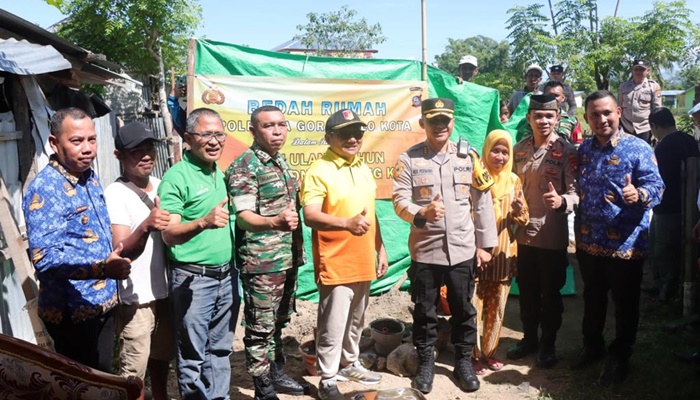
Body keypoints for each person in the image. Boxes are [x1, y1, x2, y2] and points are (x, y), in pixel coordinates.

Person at [392, 98, 498, 394]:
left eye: (445, 120)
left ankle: (463, 362)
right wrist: (420, 213)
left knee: (464, 308)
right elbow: (399, 200)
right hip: (426, 251)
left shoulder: (469, 157)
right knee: (424, 310)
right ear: (422, 123)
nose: (440, 126)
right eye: (433, 120)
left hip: (463, 250)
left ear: (452, 122)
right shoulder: (410, 159)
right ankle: (426, 362)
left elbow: (483, 201)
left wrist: (486, 244)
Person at [22, 107, 131, 372]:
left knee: (103, 378)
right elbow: (45, 260)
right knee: (83, 386)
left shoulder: (88, 178)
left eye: (91, 139)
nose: (87, 148)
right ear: (54, 143)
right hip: (73, 316)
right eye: (76, 141)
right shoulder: (45, 188)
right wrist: (103, 268)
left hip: (102, 305)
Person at [573, 90, 664, 385]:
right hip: (588, 241)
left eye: (607, 113)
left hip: (626, 244)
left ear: (619, 112)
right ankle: (593, 346)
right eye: (595, 115)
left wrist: (639, 193)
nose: (602, 119)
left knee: (625, 303)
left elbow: (657, 186)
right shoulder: (583, 150)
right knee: (593, 297)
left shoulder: (638, 148)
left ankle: (620, 356)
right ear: (587, 118)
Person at [301, 109, 388, 400]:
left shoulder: (363, 166)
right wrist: (346, 223)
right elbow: (310, 215)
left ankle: (350, 363)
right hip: (336, 261)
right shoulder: (319, 170)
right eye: (344, 134)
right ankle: (327, 379)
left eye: (358, 133)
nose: (353, 139)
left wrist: (380, 248)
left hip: (364, 258)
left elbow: (370, 215)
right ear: (328, 137)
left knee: (356, 320)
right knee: (332, 323)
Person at [226, 105, 308, 399]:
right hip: (262, 262)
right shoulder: (245, 166)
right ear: (253, 131)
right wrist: (274, 222)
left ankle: (274, 372)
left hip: (286, 258)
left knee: (278, 322)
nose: (277, 131)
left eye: (281, 125)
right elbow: (244, 216)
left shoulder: (280, 161)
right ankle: (262, 388)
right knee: (260, 327)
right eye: (268, 126)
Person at [158, 108, 239, 400]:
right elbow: (169, 233)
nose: (215, 140)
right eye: (206, 134)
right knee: (192, 354)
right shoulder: (177, 177)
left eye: (219, 133)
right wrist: (203, 222)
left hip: (227, 277)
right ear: (189, 138)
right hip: (193, 279)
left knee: (220, 349)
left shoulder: (221, 173)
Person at [507, 95, 579, 369]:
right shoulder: (519, 149)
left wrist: (562, 201)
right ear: (529, 119)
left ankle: (548, 344)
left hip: (551, 236)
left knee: (550, 294)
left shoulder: (566, 151)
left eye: (549, 116)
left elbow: (575, 193)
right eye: (538, 116)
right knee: (526, 291)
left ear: (557, 118)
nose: (543, 121)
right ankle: (529, 340)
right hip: (522, 236)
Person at [104, 122, 174, 400]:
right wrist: (146, 225)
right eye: (136, 151)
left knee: (161, 358)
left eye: (149, 149)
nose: (146, 156)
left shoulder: (162, 184)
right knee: (134, 371)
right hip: (137, 298)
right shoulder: (115, 194)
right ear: (119, 155)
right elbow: (120, 249)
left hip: (166, 290)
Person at [470, 129, 530, 375]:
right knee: (473, 308)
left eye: (506, 152)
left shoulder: (514, 181)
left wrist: (518, 209)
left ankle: (490, 353)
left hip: (504, 254)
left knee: (497, 309)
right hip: (475, 254)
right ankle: (472, 356)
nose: (501, 157)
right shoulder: (475, 177)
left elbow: (524, 219)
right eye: (496, 150)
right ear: (487, 150)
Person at [647, 108, 700, 302]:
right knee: (674, 248)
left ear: (655, 126)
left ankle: (666, 291)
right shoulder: (688, 140)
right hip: (689, 205)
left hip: (666, 207)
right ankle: (665, 286)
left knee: (663, 250)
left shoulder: (664, 147)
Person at [618, 59, 662, 143]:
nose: (638, 72)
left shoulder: (653, 86)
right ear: (632, 70)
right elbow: (618, 107)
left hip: (644, 127)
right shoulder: (623, 87)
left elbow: (657, 110)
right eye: (636, 69)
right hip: (626, 127)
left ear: (647, 71)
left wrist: (657, 130)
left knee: (643, 153)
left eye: (642, 69)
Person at [543, 81, 582, 145]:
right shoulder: (535, 119)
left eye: (556, 95)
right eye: (549, 95)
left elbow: (577, 146)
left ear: (563, 98)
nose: (553, 98)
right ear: (543, 96)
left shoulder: (572, 121)